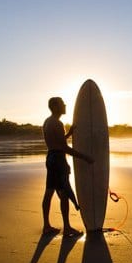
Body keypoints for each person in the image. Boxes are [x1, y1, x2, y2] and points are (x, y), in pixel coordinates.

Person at [42, 96, 93, 237]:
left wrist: (69, 134)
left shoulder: (48, 122)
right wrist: (85, 157)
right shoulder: (57, 123)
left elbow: (55, 142)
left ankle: (46, 226)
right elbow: (63, 147)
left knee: (49, 191)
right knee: (64, 194)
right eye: (62, 104)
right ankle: (67, 228)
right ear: (56, 106)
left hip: (51, 158)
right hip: (58, 160)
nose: (65, 105)